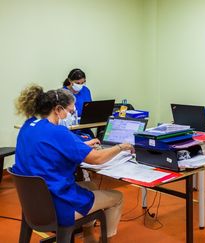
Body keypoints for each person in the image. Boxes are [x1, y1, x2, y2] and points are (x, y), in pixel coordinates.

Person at [12, 84, 134, 241]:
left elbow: (49, 148)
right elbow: (96, 159)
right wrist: (121, 147)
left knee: (91, 186)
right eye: (70, 111)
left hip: (33, 203)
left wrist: (81, 146)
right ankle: (107, 240)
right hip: (58, 205)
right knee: (117, 197)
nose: (72, 114)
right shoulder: (58, 132)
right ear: (57, 109)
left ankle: (89, 237)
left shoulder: (28, 126)